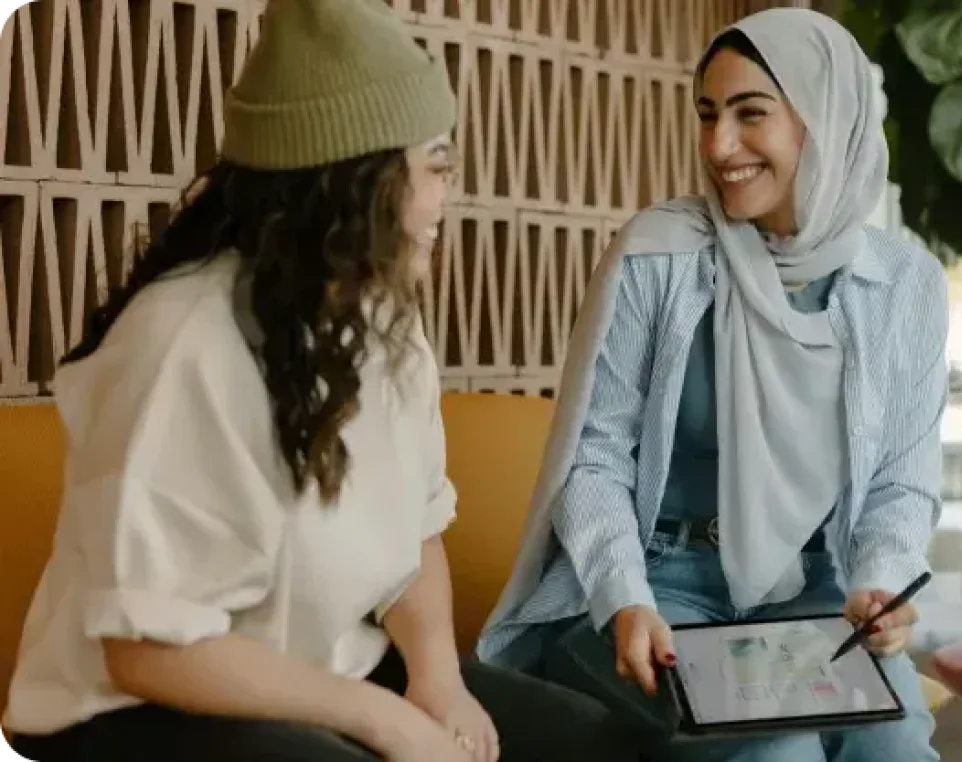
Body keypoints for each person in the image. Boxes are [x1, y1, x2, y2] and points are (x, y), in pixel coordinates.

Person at [2, 2, 640, 761]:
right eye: (435, 166)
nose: (446, 198)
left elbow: (418, 531)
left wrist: (437, 681)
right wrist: (384, 721)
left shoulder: (384, 320)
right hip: (132, 714)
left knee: (590, 744)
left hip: (324, 674)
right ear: (354, 179)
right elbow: (144, 650)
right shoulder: (184, 339)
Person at [474, 8, 947, 762]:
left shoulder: (906, 285)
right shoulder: (659, 255)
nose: (719, 147)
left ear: (822, 121)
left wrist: (882, 582)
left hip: (817, 590)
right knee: (777, 750)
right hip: (657, 586)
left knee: (892, 748)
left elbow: (903, 480)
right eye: (707, 115)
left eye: (749, 114)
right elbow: (592, 458)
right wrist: (623, 596)